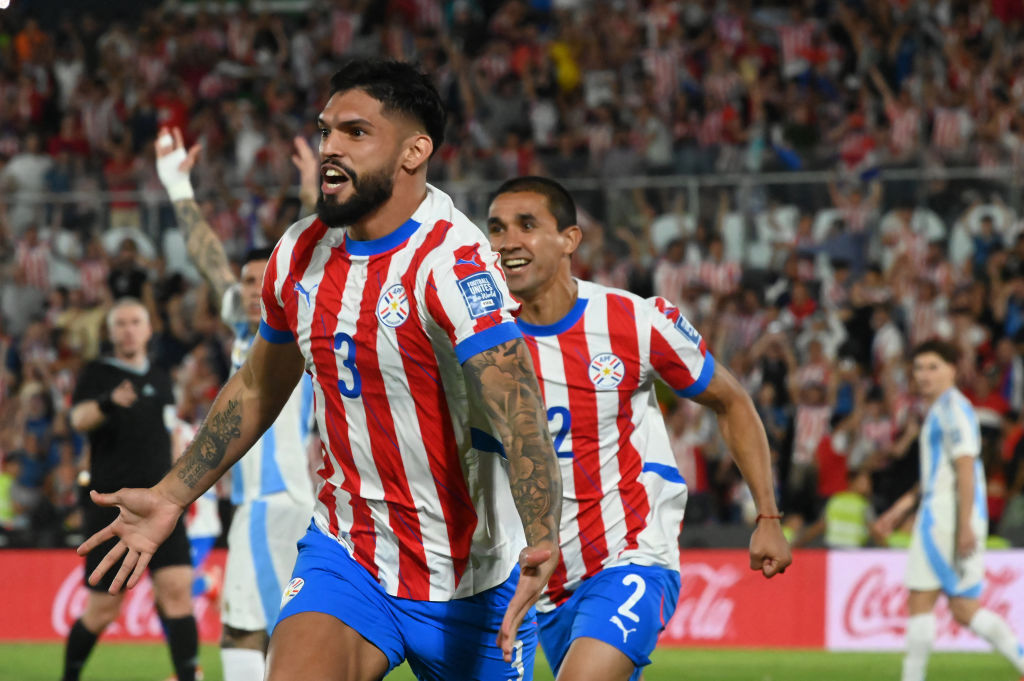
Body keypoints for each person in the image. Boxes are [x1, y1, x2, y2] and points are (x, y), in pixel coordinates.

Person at [79, 58, 561, 681]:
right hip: (349, 554)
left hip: (473, 573)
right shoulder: (299, 253)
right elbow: (260, 381)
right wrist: (173, 494)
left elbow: (519, 406)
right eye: (326, 130)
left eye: (355, 132)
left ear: (415, 151)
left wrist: (544, 534)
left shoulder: (454, 263)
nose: (330, 147)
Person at [486, 176, 791, 681]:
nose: (508, 242)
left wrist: (768, 516)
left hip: (628, 557)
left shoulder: (632, 321)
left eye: (527, 225)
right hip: (529, 578)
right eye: (496, 229)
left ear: (569, 240)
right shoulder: (480, 340)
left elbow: (730, 400)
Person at [155, 125, 319, 681]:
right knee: (282, 633)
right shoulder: (251, 332)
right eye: (244, 282)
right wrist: (178, 187)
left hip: (273, 500)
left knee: (241, 630)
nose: (249, 289)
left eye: (259, 280)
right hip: (291, 504)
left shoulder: (294, 323)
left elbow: (307, 249)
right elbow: (207, 257)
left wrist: (309, 192)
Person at [62, 299, 197, 681]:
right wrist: (108, 402)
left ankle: (188, 677)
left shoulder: (159, 376)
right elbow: (77, 418)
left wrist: (182, 486)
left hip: (162, 505)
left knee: (177, 592)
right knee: (104, 609)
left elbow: (171, 435)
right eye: (120, 323)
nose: (128, 329)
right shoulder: (98, 374)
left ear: (148, 329)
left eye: (135, 322)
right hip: (113, 508)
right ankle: (69, 676)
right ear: (110, 332)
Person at [878, 340, 1024, 681]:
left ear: (952, 370)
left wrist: (965, 525)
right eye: (919, 368)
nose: (924, 375)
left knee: (921, 599)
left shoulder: (953, 409)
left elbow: (964, 465)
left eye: (933, 367)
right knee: (963, 608)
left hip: (946, 517)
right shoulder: (941, 410)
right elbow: (937, 474)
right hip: (948, 511)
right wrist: (899, 510)